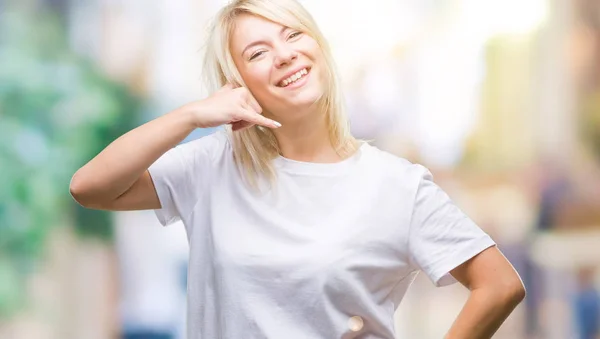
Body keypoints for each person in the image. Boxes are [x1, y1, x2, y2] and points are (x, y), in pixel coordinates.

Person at [69, 0, 526, 338]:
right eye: (257, 53)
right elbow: (90, 187)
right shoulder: (211, 164)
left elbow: (499, 285)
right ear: (237, 84)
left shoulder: (397, 186)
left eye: (293, 35)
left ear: (319, 49)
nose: (284, 55)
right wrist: (191, 115)